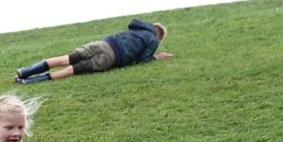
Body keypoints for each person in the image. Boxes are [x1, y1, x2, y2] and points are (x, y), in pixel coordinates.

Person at [14, 19, 170, 83]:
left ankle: (24, 71)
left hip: (103, 43)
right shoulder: (152, 39)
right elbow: (143, 60)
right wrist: (156, 57)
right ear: (159, 37)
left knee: (66, 59)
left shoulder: (137, 28)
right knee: (71, 69)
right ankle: (29, 81)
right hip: (111, 57)